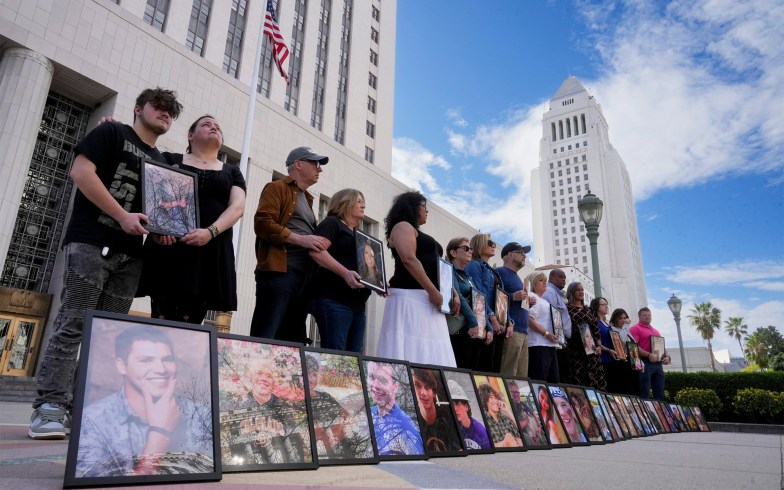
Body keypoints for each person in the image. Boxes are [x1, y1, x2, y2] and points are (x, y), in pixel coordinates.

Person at [30, 88, 183, 440]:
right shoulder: (111, 132)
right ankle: (49, 408)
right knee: (74, 324)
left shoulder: (160, 160)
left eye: (171, 112)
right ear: (138, 108)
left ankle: (85, 408)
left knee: (108, 336)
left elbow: (158, 210)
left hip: (132, 255)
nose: (165, 114)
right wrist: (121, 215)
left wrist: (161, 232)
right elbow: (81, 173)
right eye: (159, 106)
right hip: (92, 241)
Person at [138, 115, 246, 324]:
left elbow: (237, 207)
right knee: (160, 318)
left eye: (217, 126)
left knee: (191, 323)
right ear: (190, 135)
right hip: (170, 249)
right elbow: (152, 194)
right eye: (206, 124)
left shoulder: (232, 171)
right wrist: (158, 231)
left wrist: (210, 232)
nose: (214, 127)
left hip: (209, 253)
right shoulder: (169, 159)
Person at [76, 327, 212, 476]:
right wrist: (159, 435)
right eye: (146, 360)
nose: (161, 369)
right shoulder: (93, 421)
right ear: (122, 365)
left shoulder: (201, 415)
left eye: (167, 360)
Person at [250, 146, 330, 343]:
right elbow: (263, 223)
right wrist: (302, 239)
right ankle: (256, 372)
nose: (319, 169)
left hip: (303, 277)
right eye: (316, 164)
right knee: (266, 334)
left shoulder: (307, 199)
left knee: (292, 341)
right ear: (298, 164)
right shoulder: (277, 187)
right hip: (280, 273)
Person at [376, 192, 455, 367]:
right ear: (413, 207)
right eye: (424, 206)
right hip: (410, 297)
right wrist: (433, 291)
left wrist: (452, 294)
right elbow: (409, 259)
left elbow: (440, 269)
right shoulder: (402, 226)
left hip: (430, 300)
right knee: (411, 347)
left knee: (432, 351)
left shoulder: (417, 232)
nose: (427, 211)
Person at [308, 189, 372, 352]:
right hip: (334, 299)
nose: (363, 205)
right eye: (358, 201)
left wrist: (378, 281)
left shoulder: (362, 236)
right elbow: (316, 251)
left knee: (353, 359)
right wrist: (345, 273)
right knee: (336, 356)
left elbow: (369, 267)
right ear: (344, 203)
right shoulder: (332, 223)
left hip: (357, 306)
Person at [223, 354, 308, 465]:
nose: (263, 379)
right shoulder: (240, 409)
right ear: (250, 378)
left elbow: (296, 446)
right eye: (258, 374)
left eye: (268, 375)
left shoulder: (283, 407)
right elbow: (236, 450)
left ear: (273, 380)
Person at [366, 361, 424, 456]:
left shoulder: (405, 429)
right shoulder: (367, 413)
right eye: (372, 377)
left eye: (383, 380)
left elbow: (418, 466)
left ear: (395, 387)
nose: (375, 385)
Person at [465, 234, 504, 371]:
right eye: (489, 243)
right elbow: (478, 294)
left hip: (494, 325)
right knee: (480, 366)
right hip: (481, 322)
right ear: (479, 244)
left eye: (494, 244)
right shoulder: (474, 265)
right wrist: (491, 317)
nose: (493, 246)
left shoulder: (492, 270)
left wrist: (507, 320)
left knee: (492, 368)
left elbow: (499, 297)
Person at [304, 354, 353, 459]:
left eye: (314, 374)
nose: (310, 379)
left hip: (334, 437)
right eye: (307, 374)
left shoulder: (325, 396)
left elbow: (344, 412)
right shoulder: (297, 400)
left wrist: (347, 420)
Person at [496, 242, 533, 377]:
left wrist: (529, 302)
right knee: (509, 373)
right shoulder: (499, 273)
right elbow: (495, 297)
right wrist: (513, 296)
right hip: (511, 331)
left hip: (523, 331)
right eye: (521, 252)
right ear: (510, 255)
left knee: (521, 375)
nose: (524, 256)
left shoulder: (517, 277)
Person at [444, 238, 482, 369]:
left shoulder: (468, 277)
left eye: (471, 248)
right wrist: (474, 322)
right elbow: (458, 295)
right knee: (460, 367)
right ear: (453, 253)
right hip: (459, 328)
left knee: (473, 368)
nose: (470, 251)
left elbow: (479, 300)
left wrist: (486, 325)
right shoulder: (449, 270)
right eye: (466, 248)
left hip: (473, 329)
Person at [565, 282, 607, 390]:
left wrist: (599, 346)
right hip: (575, 350)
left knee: (595, 379)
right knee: (578, 378)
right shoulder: (566, 308)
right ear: (572, 292)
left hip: (592, 350)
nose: (581, 292)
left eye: (582, 290)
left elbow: (595, 329)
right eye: (578, 290)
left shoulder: (588, 310)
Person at [412, 369, 463, 452]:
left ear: (434, 392)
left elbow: (459, 450)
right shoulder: (414, 422)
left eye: (427, 387)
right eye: (418, 386)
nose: (423, 393)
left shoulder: (448, 416)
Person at [526, 272, 561, 383]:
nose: (544, 282)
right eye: (541, 280)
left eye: (545, 280)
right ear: (533, 283)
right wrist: (546, 334)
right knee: (539, 381)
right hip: (538, 345)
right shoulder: (532, 297)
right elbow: (529, 319)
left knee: (553, 382)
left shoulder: (545, 301)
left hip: (550, 345)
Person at [629, 307, 671, 400]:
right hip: (644, 363)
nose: (647, 317)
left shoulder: (655, 331)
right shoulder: (634, 329)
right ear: (639, 317)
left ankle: (659, 412)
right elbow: (633, 347)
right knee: (645, 392)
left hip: (658, 364)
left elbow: (662, 346)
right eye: (644, 315)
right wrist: (648, 355)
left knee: (660, 393)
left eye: (649, 315)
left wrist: (667, 356)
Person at [541, 269, 572, 380]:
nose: (563, 279)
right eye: (560, 277)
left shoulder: (558, 294)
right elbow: (548, 315)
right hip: (555, 342)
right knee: (557, 377)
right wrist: (559, 339)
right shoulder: (550, 292)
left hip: (560, 341)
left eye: (564, 277)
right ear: (552, 278)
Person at [446, 379, 492, 450]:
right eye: (451, 405)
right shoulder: (450, 430)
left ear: (466, 406)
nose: (454, 409)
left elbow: (489, 453)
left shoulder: (480, 430)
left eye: (457, 404)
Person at [477, 383, 522, 448]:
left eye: (496, 398)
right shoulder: (484, 420)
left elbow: (519, 432)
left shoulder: (505, 418)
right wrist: (505, 442)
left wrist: (507, 411)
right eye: (491, 397)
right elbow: (485, 444)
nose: (495, 401)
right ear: (485, 400)